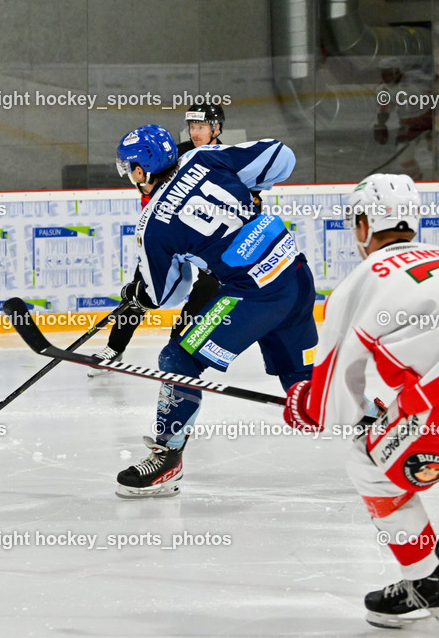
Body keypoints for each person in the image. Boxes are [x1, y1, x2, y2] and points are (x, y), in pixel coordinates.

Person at [283, 174, 439, 629]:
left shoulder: (363, 281)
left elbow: (331, 400)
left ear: (363, 225)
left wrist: (306, 404)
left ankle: (425, 581)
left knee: (369, 464)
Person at [114, 124, 316, 498]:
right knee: (307, 393)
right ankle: (383, 422)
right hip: (296, 275)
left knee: (177, 358)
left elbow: (168, 294)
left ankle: (167, 459)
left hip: (255, 295)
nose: (130, 174)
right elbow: (281, 156)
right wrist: (248, 194)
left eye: (129, 167)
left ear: (141, 170)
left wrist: (139, 293)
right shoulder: (203, 157)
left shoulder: (153, 223)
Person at [89, 105, 228, 377]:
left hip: (202, 238)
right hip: (170, 235)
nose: (195, 132)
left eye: (201, 127)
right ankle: (115, 346)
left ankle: (179, 344)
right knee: (144, 283)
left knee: (208, 285)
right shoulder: (177, 153)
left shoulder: (222, 157)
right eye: (192, 127)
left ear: (216, 129)